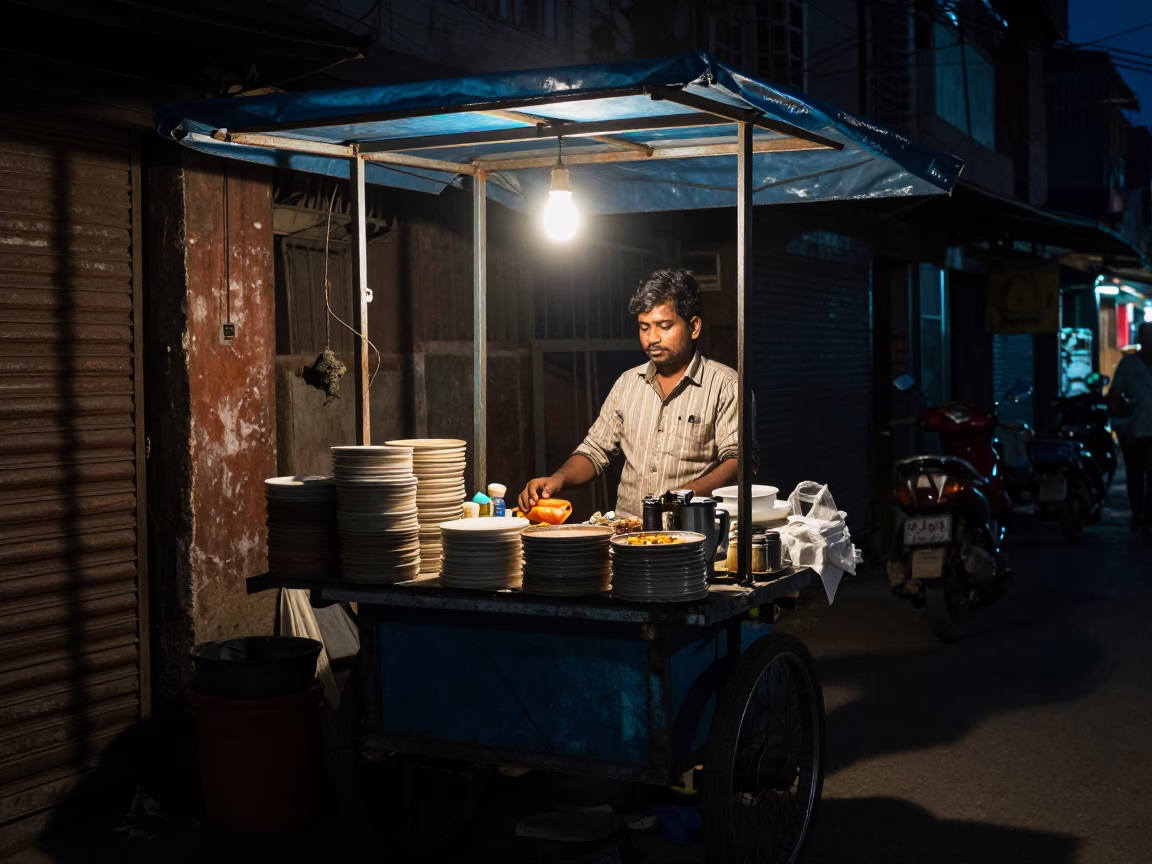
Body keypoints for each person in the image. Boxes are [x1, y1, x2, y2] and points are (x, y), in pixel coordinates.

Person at [519, 268, 757, 518]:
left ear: (694, 327)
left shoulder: (726, 385)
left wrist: (683, 497)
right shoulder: (627, 383)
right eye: (644, 327)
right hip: (627, 534)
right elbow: (594, 450)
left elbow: (739, 461)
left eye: (664, 326)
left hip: (692, 535)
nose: (651, 338)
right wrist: (558, 478)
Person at [1109, 321, 1152, 533]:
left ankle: (1148, 515)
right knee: (1135, 476)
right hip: (1136, 430)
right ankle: (1138, 515)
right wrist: (1119, 425)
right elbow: (1115, 394)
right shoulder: (1128, 365)